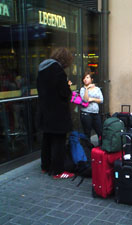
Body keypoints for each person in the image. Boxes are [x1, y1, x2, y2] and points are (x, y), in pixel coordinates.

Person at [37, 47, 74, 179]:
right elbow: (64, 93)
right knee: (58, 141)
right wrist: (68, 87)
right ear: (65, 59)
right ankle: (57, 171)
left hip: (45, 111)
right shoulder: (58, 70)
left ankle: (45, 166)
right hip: (58, 113)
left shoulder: (42, 69)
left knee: (47, 139)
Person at [79, 70, 103, 143]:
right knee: (87, 133)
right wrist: (87, 89)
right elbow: (85, 100)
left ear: (91, 79)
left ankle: (101, 149)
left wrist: (92, 99)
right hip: (86, 114)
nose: (85, 79)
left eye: (87, 77)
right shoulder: (82, 89)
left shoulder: (97, 89)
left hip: (95, 113)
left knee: (100, 131)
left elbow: (101, 100)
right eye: (84, 78)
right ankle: (88, 150)